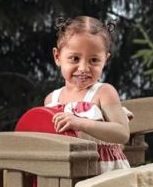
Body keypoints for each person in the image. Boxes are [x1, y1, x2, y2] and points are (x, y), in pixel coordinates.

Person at [45, 15, 131, 173]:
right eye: (75, 58)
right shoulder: (52, 99)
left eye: (94, 60)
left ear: (105, 59)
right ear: (57, 57)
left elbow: (122, 133)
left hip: (102, 172)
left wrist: (81, 123)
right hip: (64, 170)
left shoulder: (103, 92)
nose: (84, 68)